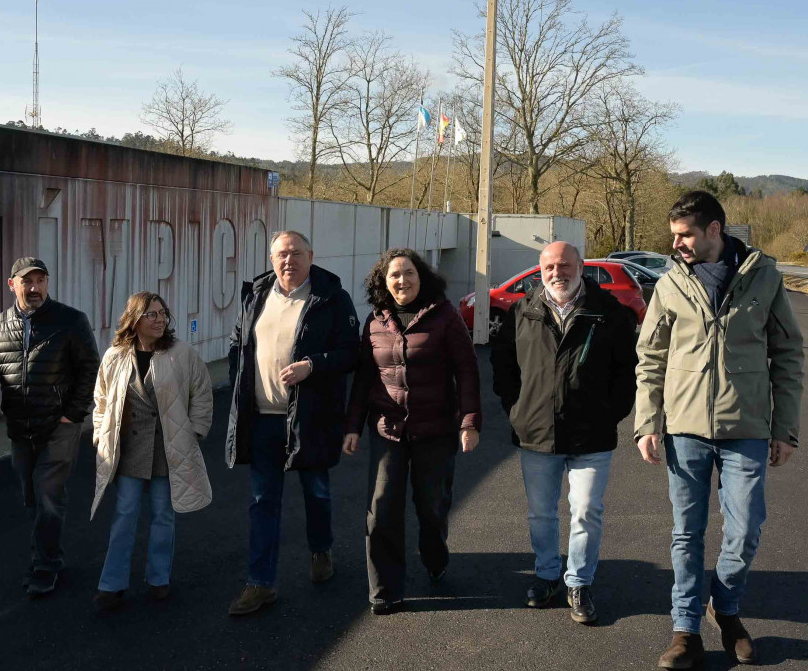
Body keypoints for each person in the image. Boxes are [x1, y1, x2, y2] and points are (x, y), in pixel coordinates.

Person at [635, 191, 805, 671]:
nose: (678, 243)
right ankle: (685, 629)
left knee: (746, 527)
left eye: (685, 234)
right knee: (686, 534)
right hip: (685, 427)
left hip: (746, 426)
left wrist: (785, 428)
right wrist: (648, 422)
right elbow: (650, 358)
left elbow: (788, 354)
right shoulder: (669, 283)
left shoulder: (764, 276)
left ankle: (725, 609)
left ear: (715, 229)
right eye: (674, 236)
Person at [491, 241, 637, 625]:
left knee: (586, 511)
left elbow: (627, 371)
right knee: (541, 514)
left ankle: (579, 582)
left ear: (580, 266)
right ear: (541, 270)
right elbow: (504, 366)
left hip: (592, 435)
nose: (558, 273)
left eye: (566, 265)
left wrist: (611, 414)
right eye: (550, 266)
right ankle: (546, 574)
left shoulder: (608, 312)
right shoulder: (523, 311)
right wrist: (517, 410)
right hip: (536, 434)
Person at [225, 231, 360, 616]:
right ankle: (260, 583)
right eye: (282, 254)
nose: (289, 261)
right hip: (263, 420)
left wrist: (312, 365)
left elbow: (351, 353)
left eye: (296, 253)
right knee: (262, 501)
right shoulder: (257, 294)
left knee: (316, 492)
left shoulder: (332, 297)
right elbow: (239, 343)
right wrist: (240, 382)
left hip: (310, 420)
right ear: (272, 259)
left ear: (310, 255)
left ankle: (321, 551)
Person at [342, 249, 481, 615]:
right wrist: (353, 426)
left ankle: (435, 556)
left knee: (431, 507)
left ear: (422, 277)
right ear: (383, 282)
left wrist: (469, 422)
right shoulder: (374, 322)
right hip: (388, 429)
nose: (402, 281)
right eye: (394, 276)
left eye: (409, 273)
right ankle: (385, 589)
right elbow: (363, 378)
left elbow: (467, 370)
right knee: (382, 508)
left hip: (435, 429)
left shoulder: (445, 316)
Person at [0, 257, 100, 597]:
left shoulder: (70, 321)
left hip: (60, 426)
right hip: (20, 429)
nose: (35, 287)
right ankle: (49, 552)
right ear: (12, 285)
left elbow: (90, 369)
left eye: (40, 280)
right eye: (27, 281)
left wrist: (73, 413)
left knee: (48, 494)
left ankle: (44, 566)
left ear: (48, 283)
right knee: (31, 497)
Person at [90, 292, 213, 613]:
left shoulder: (181, 353)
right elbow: (101, 400)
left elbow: (201, 391)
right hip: (129, 449)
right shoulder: (115, 356)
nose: (160, 320)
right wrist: (100, 436)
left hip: (167, 447)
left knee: (163, 515)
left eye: (163, 314)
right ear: (135, 320)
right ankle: (111, 585)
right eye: (152, 315)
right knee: (124, 516)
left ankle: (159, 578)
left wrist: (197, 430)